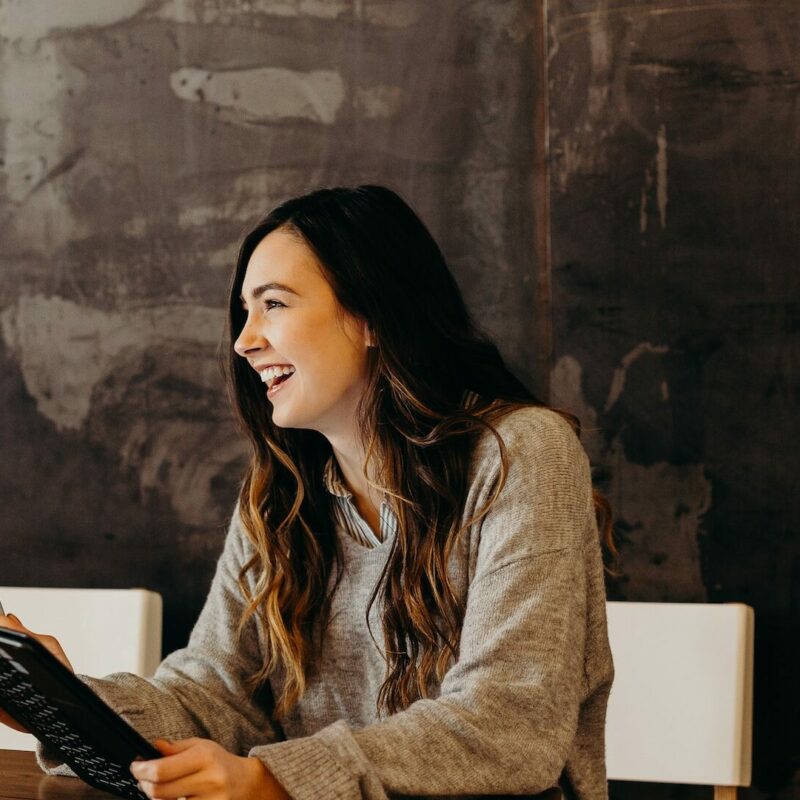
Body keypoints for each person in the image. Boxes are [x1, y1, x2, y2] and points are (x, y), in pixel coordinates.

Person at [0, 185, 615, 800]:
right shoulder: (280, 495)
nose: (244, 341)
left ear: (372, 315)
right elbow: (214, 695)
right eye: (245, 311)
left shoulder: (522, 453)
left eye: (274, 304)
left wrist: (273, 779)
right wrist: (62, 701)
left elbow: (510, 724)